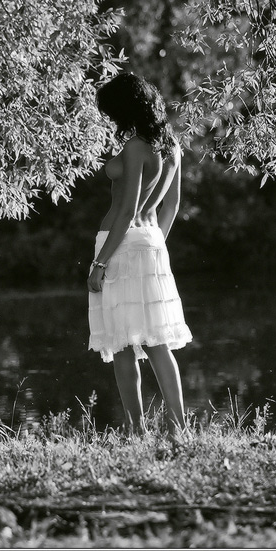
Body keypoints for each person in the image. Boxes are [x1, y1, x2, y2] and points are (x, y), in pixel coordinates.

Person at [87, 72, 192, 436]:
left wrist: (101, 264)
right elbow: (173, 205)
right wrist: (154, 245)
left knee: (121, 346)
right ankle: (180, 429)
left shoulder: (135, 147)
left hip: (120, 244)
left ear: (125, 108)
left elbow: (128, 208)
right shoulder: (172, 146)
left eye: (113, 112)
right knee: (157, 342)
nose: (112, 120)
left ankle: (136, 431)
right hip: (150, 242)